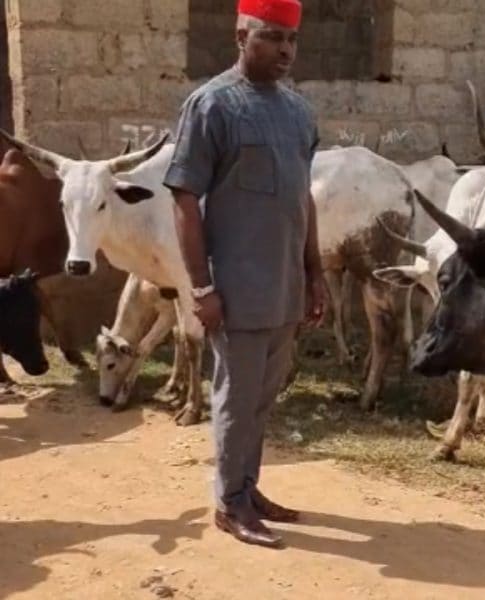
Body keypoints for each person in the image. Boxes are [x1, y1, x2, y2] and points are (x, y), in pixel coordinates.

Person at [164, 0, 327, 549]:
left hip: (285, 288)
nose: (284, 50)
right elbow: (185, 199)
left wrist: (315, 273)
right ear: (241, 34)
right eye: (271, 37)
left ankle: (247, 488)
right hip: (235, 291)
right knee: (236, 398)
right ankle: (229, 503)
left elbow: (303, 198)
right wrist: (202, 287)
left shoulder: (299, 113)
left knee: (261, 397)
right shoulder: (211, 106)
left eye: (291, 40)